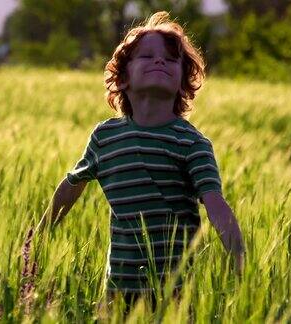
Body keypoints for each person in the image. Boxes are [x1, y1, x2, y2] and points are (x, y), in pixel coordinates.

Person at [36, 11, 245, 315]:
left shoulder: (192, 143)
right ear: (122, 79)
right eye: (147, 56)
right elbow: (72, 184)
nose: (160, 61)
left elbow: (215, 204)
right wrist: (41, 232)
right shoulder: (104, 137)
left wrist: (238, 256)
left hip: (174, 291)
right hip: (117, 290)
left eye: (172, 60)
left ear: (183, 83)